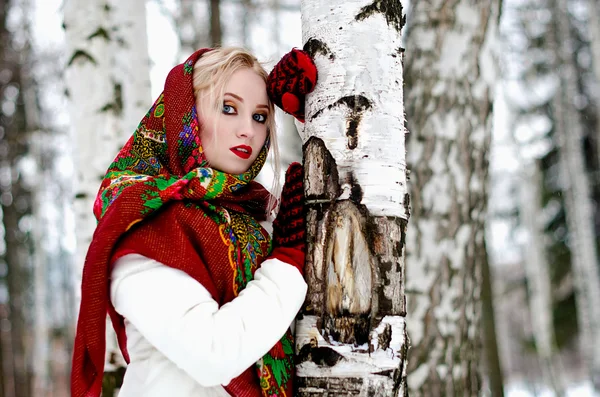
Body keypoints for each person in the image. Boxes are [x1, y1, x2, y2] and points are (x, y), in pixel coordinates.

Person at [70, 47, 318, 397]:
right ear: (183, 114)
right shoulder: (144, 228)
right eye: (228, 108)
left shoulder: (251, 219)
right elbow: (212, 354)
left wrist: (312, 117)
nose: (247, 129)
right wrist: (288, 261)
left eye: (260, 117)